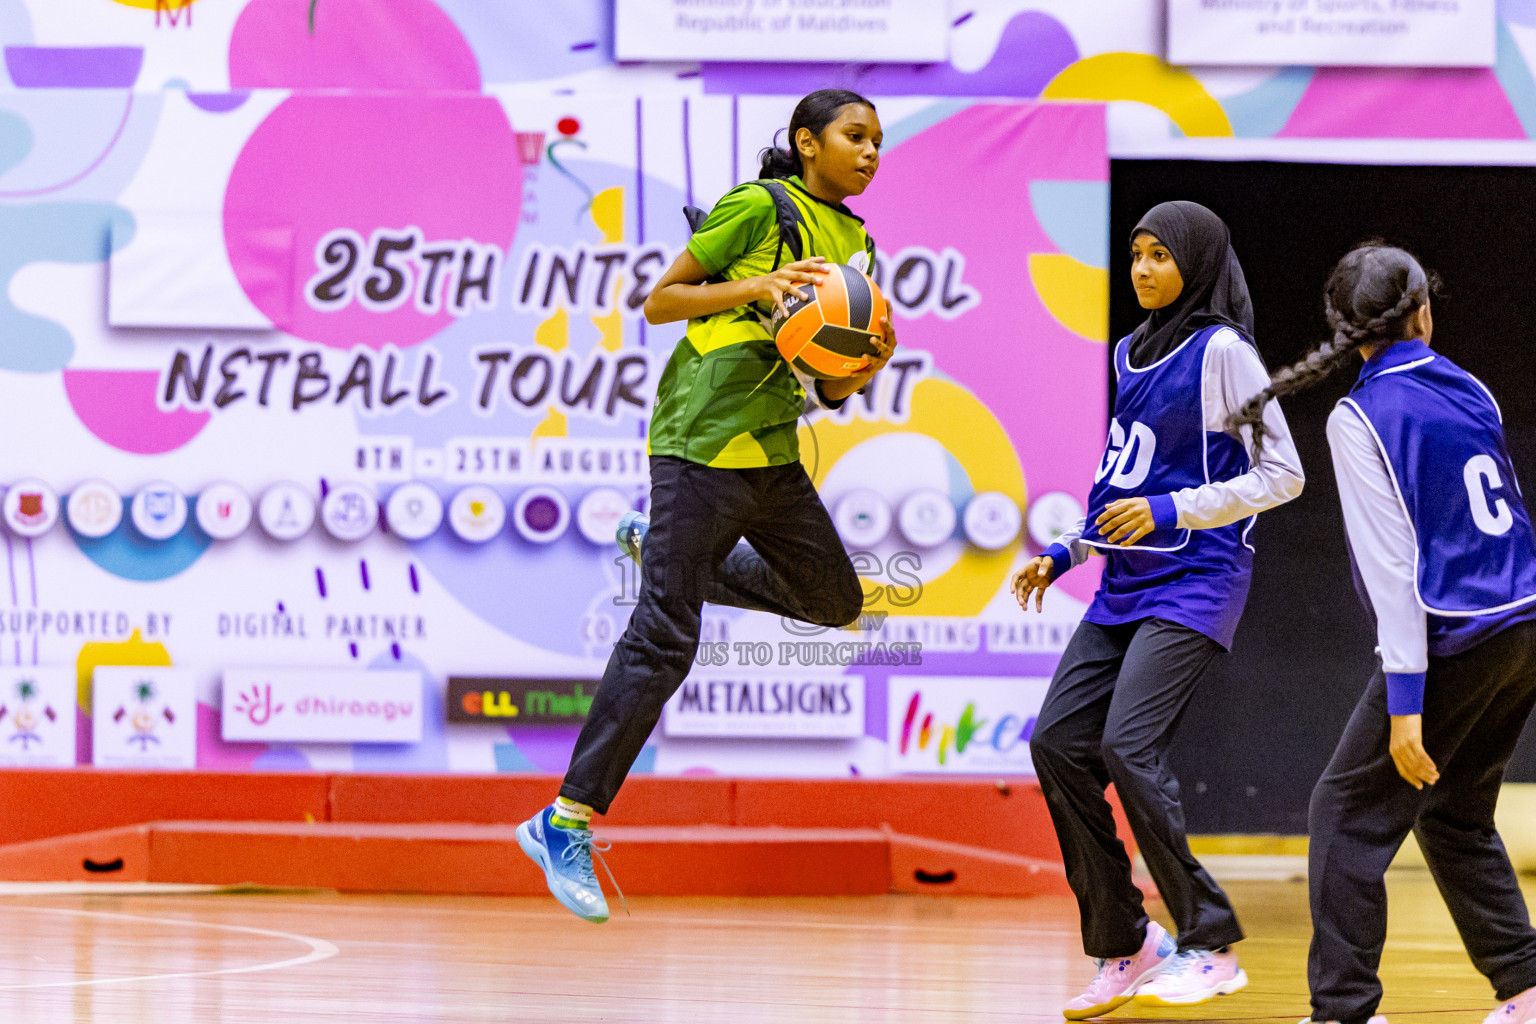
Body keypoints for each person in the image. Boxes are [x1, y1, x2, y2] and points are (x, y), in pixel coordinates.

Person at [516, 89, 898, 923]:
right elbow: (661, 301)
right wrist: (762, 284)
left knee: (835, 601)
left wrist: (856, 365)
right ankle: (564, 819)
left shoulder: (859, 241)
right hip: (697, 443)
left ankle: (659, 549)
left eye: (878, 141)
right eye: (854, 136)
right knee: (664, 636)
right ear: (807, 143)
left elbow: (824, 378)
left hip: (771, 450)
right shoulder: (756, 205)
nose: (870, 152)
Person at [1224, 242, 1536, 1024]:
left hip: (1457, 636)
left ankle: (1343, 1011)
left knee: (1342, 813)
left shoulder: (1358, 417)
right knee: (1454, 808)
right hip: (1524, 627)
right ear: (1423, 312)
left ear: (1345, 330)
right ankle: (1527, 987)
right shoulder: (1471, 387)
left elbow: (1394, 573)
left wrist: (1406, 703)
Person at [1012, 201, 1305, 1018]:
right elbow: (1120, 482)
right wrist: (1068, 550)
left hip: (1198, 577)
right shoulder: (1128, 354)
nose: (1142, 269)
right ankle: (1129, 940)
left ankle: (1212, 944)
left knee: (1126, 746)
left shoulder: (1224, 353)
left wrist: (1176, 511)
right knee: (1059, 745)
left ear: (1198, 264)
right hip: (1124, 585)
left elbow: (1285, 474)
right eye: (1135, 254)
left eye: (1160, 257)